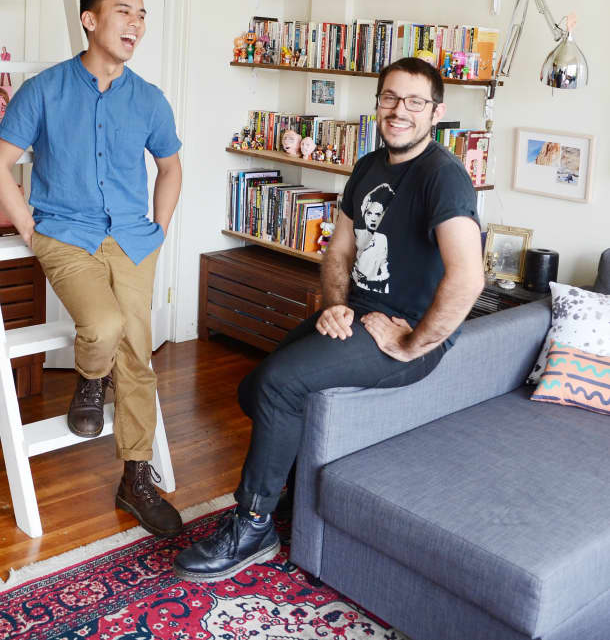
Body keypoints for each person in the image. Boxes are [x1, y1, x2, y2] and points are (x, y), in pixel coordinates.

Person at [173, 56, 484, 582]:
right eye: (389, 97)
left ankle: (254, 525)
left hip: (400, 336)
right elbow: (338, 252)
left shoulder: (443, 178)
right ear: (378, 102)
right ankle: (295, 492)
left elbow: (468, 279)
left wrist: (414, 345)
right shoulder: (368, 166)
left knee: (277, 387)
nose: (399, 110)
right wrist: (336, 304)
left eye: (414, 101)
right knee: (254, 389)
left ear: (436, 112)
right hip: (355, 316)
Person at [0, 0, 184, 538]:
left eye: (142, 14)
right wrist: (29, 229)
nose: (136, 24)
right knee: (101, 326)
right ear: (90, 20)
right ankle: (90, 378)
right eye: (124, 11)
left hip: (132, 240)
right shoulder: (44, 89)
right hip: (65, 235)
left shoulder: (149, 99)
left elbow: (170, 167)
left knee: (139, 358)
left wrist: (159, 230)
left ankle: (136, 478)